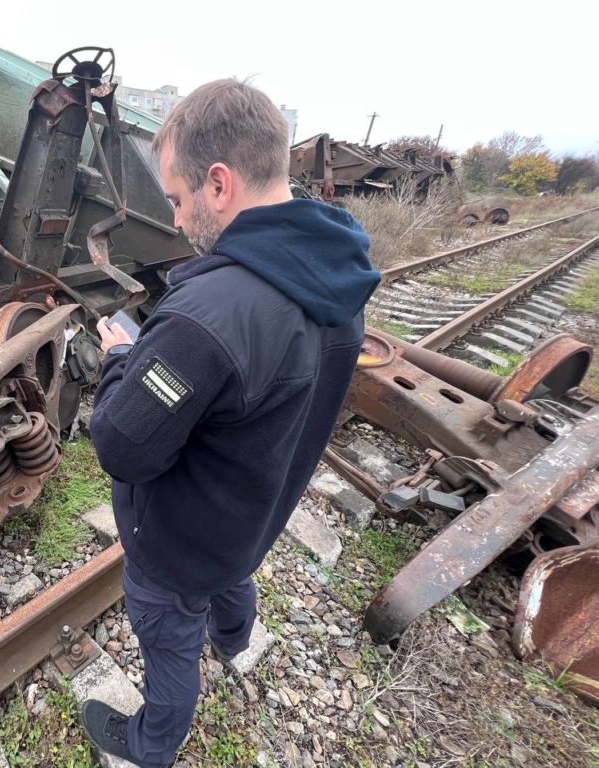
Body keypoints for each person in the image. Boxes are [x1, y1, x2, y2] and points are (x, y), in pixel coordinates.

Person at [79, 79, 381, 768]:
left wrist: (122, 358)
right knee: (233, 577)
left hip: (182, 545)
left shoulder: (207, 315)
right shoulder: (336, 270)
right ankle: (236, 638)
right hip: (257, 508)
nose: (179, 222)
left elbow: (122, 446)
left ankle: (153, 745)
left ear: (219, 184)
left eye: (179, 200)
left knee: (169, 637)